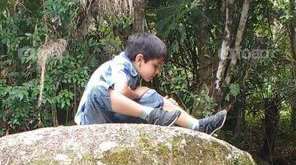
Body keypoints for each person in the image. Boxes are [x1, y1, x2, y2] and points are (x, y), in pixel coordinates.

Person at [74, 32, 228, 134]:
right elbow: (121, 90)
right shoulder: (120, 64)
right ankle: (152, 115)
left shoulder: (133, 71)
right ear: (139, 59)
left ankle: (198, 126)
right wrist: (137, 93)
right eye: (155, 66)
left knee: (151, 95)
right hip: (92, 119)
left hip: (112, 118)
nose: (157, 72)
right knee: (97, 90)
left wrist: (158, 102)